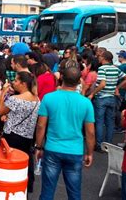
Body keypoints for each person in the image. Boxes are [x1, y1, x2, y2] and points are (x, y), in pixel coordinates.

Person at [35, 67, 96, 200]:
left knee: (47, 191)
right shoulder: (86, 103)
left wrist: (38, 147)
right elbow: (90, 132)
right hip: (75, 151)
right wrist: (90, 153)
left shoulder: (48, 98)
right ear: (79, 81)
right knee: (74, 192)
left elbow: (41, 126)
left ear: (61, 77)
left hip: (52, 148)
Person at [0, 71, 39, 193]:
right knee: (22, 165)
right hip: (27, 137)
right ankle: (22, 189)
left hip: (12, 136)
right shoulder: (36, 99)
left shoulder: (15, 99)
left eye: (16, 80)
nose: (14, 82)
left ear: (23, 84)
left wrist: (2, 92)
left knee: (9, 166)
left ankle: (8, 190)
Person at [88, 51, 126, 151]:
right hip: (112, 97)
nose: (98, 58)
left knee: (99, 121)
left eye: (100, 56)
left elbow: (102, 84)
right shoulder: (116, 69)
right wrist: (117, 87)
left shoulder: (102, 69)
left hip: (101, 98)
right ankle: (108, 145)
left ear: (104, 58)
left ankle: (99, 145)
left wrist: (92, 93)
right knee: (110, 122)